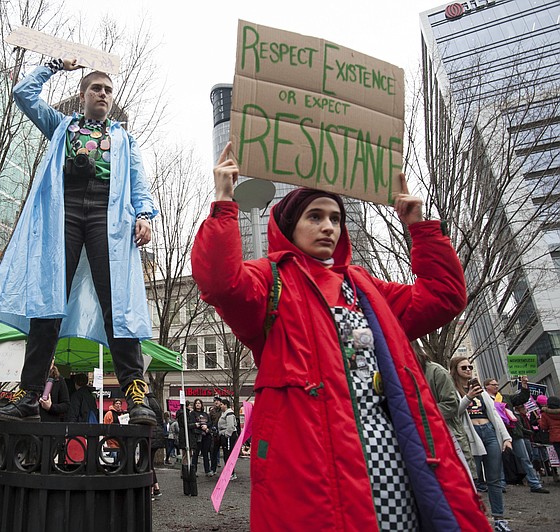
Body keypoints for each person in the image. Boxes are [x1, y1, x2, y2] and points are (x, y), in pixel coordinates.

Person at [191, 143, 489, 530]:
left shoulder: (366, 288)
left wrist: (420, 226)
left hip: (391, 466)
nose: (329, 226)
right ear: (288, 226)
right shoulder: (270, 280)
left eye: (335, 218)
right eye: (315, 216)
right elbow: (220, 282)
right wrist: (224, 201)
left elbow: (445, 296)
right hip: (312, 473)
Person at [0, 57, 157, 426]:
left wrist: (145, 214)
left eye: (108, 90)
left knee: (118, 302)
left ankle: (136, 396)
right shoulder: (62, 126)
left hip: (107, 214)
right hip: (63, 212)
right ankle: (30, 393)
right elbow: (23, 93)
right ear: (82, 95)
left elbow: (138, 181)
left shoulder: (124, 139)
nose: (102, 94)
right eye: (96, 88)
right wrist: (53, 66)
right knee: (48, 301)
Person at [450, 357, 513, 531]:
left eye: (470, 366)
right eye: (464, 367)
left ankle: (499, 519)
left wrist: (506, 438)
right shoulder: (452, 389)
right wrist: (468, 397)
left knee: (494, 479)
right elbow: (454, 413)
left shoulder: (482, 391)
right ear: (455, 369)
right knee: (471, 480)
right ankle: (474, 520)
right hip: (470, 436)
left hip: (489, 433)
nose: (469, 369)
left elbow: (494, 415)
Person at [217, 398, 238, 481]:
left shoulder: (229, 414)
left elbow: (230, 426)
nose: (220, 406)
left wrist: (226, 435)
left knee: (228, 455)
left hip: (228, 436)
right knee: (226, 454)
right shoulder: (225, 413)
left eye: (221, 404)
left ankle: (231, 473)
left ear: (225, 405)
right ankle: (228, 472)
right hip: (225, 435)